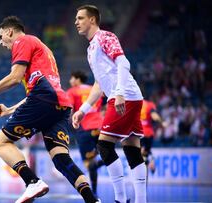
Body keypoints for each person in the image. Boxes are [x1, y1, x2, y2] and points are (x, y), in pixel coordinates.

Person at [0, 16, 99, 203]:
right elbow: (39, 90)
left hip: (44, 98)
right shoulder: (43, 49)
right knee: (62, 160)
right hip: (59, 104)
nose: (1, 42)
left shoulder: (22, 41)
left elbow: (15, 78)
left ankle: (32, 182)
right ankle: (93, 200)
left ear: (10, 32)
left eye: (1, 36)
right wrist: (10, 110)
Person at [73, 5, 146, 203]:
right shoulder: (91, 49)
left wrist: (120, 93)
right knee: (132, 150)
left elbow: (123, 63)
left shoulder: (105, 37)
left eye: (80, 18)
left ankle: (120, 200)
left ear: (92, 20)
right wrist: (83, 110)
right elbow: (99, 84)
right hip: (128, 95)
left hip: (124, 96)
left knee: (104, 146)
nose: (76, 22)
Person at [67, 70, 105, 195]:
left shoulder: (73, 91)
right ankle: (99, 161)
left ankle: (94, 192)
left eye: (72, 78)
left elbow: (69, 109)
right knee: (107, 153)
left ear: (78, 79)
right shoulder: (95, 89)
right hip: (100, 127)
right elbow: (104, 103)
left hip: (85, 129)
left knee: (89, 164)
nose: (70, 81)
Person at [140, 99, 164, 174]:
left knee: (142, 153)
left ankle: (148, 160)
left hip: (140, 133)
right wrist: (162, 122)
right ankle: (150, 160)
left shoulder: (136, 103)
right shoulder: (150, 104)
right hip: (149, 133)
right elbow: (154, 116)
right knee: (146, 153)